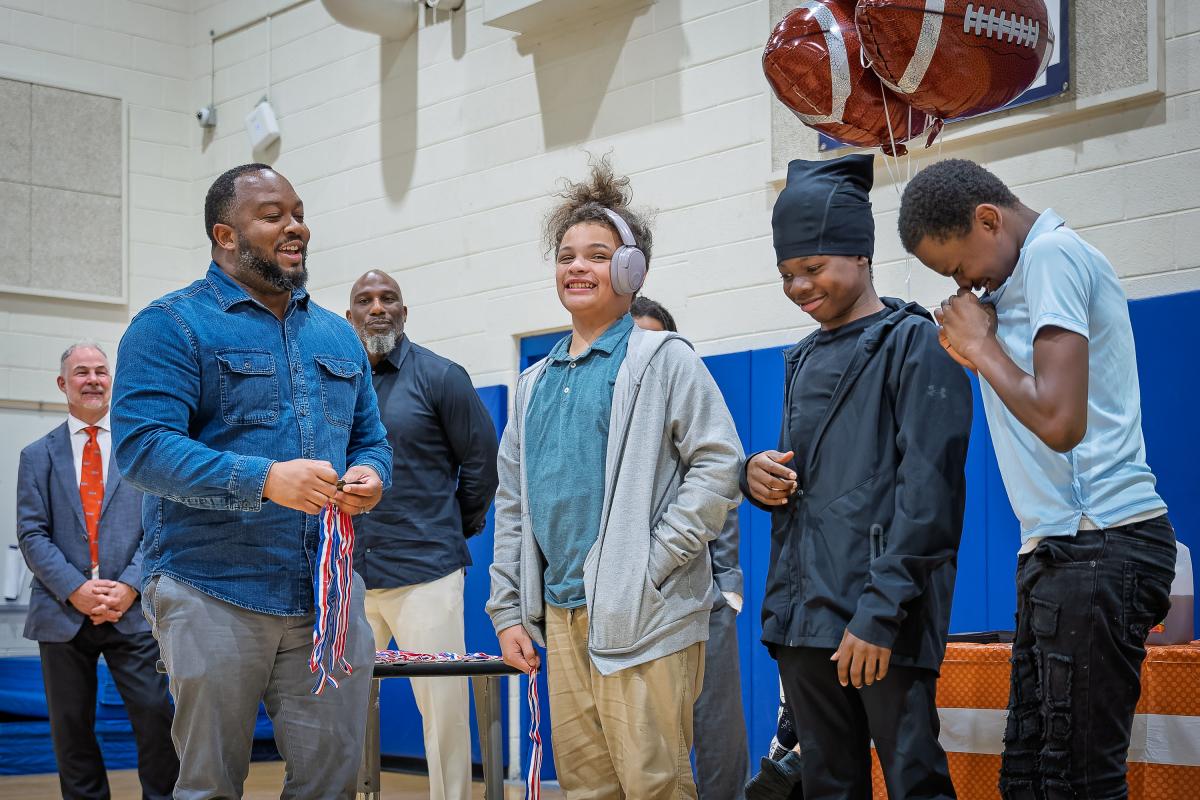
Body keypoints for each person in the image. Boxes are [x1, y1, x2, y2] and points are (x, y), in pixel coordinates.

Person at [111, 163, 393, 799]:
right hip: (212, 589)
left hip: (326, 596)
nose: (296, 227)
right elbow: (142, 448)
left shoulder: (337, 334)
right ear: (225, 235)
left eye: (298, 213)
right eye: (272, 216)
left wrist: (372, 474)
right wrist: (264, 479)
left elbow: (371, 440)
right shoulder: (170, 326)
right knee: (210, 786)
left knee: (332, 785)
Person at [900, 158, 1176, 799]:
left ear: (988, 220)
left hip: (1099, 538)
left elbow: (1059, 421)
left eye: (958, 267)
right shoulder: (1019, 282)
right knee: (1029, 778)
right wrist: (983, 352)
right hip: (1060, 547)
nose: (963, 286)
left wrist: (982, 348)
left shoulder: (1052, 254)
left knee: (1075, 781)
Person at [487, 157, 744, 799]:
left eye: (597, 256)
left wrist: (653, 564)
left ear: (632, 270)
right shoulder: (533, 383)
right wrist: (509, 611)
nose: (577, 267)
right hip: (562, 615)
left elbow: (719, 464)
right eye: (566, 256)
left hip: (647, 616)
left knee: (655, 785)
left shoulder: (664, 359)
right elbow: (513, 505)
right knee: (586, 789)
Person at [742, 154, 972, 800]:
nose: (798, 286)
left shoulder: (916, 343)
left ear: (861, 255)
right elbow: (813, 483)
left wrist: (879, 614)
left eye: (813, 268)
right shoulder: (803, 358)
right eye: (787, 274)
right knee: (828, 785)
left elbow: (929, 497)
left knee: (914, 780)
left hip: (881, 621)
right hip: (804, 621)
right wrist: (755, 476)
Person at [345, 269, 499, 800]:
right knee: (334, 712)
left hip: (425, 574)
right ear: (349, 317)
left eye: (388, 298)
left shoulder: (441, 377)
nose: (377, 308)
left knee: (443, 713)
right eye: (365, 300)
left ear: (404, 313)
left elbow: (481, 466)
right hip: (350, 577)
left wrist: (450, 529)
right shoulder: (335, 388)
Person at [17, 342, 179, 800]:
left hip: (134, 611)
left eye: (101, 371)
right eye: (81, 372)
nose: (92, 379)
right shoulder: (36, 455)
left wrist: (128, 586)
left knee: (156, 716)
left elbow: (159, 526)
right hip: (61, 612)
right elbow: (31, 533)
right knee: (71, 728)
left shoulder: (140, 449)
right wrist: (76, 590)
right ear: (62, 384)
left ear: (113, 380)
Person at [632, 295, 751, 800]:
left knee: (716, 719)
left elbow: (722, 485)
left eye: (651, 339)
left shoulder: (688, 398)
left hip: (700, 590)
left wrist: (728, 585)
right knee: (643, 730)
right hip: (626, 599)